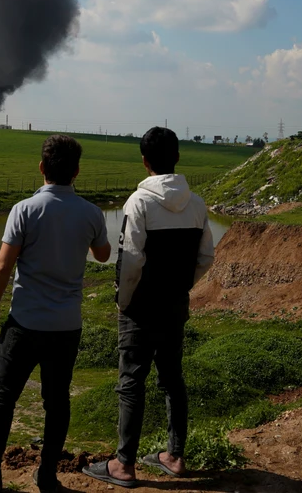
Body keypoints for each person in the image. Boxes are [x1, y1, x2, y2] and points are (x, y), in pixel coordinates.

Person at [0, 134, 112, 493]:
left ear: (41, 167)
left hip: (24, 323)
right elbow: (103, 255)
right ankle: (46, 476)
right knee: (57, 403)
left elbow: (1, 267)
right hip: (66, 326)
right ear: (76, 171)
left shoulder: (24, 210)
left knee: (3, 396)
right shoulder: (90, 213)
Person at [81, 127, 214, 488]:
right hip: (174, 305)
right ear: (178, 158)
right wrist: (183, 286)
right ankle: (174, 455)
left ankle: (123, 465)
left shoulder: (139, 203)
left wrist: (124, 301)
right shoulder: (198, 204)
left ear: (144, 161)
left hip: (140, 308)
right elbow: (206, 257)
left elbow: (130, 261)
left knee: (131, 383)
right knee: (173, 380)